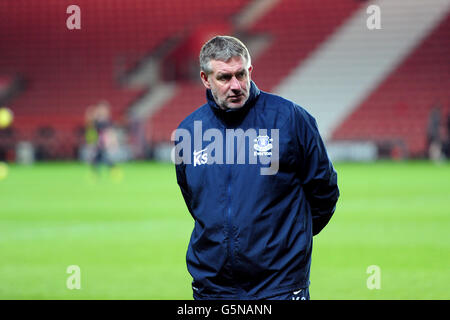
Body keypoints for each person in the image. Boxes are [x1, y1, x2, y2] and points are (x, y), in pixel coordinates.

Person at [174, 36, 339, 300]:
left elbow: (325, 190)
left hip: (279, 286)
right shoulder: (188, 131)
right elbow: (194, 199)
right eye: (224, 78)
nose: (236, 85)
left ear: (250, 70)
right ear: (206, 79)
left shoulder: (290, 119)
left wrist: (288, 240)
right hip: (212, 288)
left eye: (241, 74)